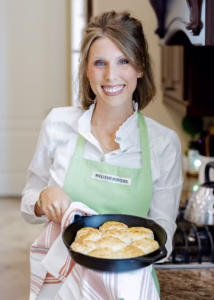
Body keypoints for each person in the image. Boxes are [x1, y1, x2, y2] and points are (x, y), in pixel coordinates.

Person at [21, 10, 183, 298]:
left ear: (140, 67)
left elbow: (164, 238)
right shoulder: (58, 125)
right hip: (61, 288)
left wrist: (114, 256)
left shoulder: (163, 143)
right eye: (100, 63)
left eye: (124, 61)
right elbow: (28, 202)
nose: (111, 76)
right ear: (87, 69)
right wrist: (43, 198)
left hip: (129, 289)